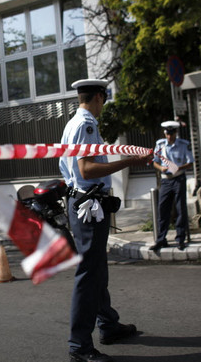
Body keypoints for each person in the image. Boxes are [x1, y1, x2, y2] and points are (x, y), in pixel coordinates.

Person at [60, 79, 152, 362]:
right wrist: (129, 162)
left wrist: (120, 153)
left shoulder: (74, 122)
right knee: (89, 274)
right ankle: (80, 347)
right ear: (99, 97)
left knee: (96, 270)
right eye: (105, 99)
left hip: (85, 202)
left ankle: (109, 325)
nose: (105, 104)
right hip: (87, 203)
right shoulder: (86, 124)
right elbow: (86, 169)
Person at [149, 120, 194, 251]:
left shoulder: (183, 145)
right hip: (165, 180)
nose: (169, 136)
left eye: (172, 133)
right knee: (163, 209)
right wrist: (161, 168)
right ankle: (161, 239)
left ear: (176, 133)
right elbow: (154, 162)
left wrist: (178, 167)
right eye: (167, 134)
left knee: (181, 209)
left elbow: (190, 162)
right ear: (165, 133)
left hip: (178, 178)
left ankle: (180, 238)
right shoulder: (160, 145)